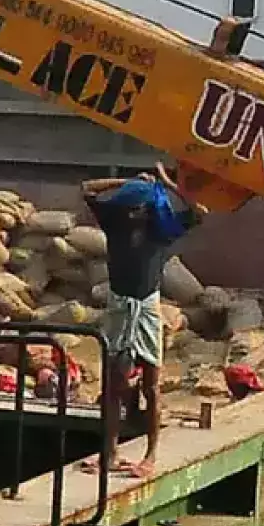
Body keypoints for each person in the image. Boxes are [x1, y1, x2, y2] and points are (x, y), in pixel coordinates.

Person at [84, 166, 197, 480]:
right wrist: (128, 181)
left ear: (148, 209)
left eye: (138, 208)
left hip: (147, 306)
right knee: (113, 385)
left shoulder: (162, 229)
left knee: (151, 385)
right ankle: (110, 453)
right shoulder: (114, 221)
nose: (132, 213)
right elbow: (88, 188)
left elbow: (199, 210)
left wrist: (168, 184)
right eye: (129, 207)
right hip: (119, 306)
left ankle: (150, 454)